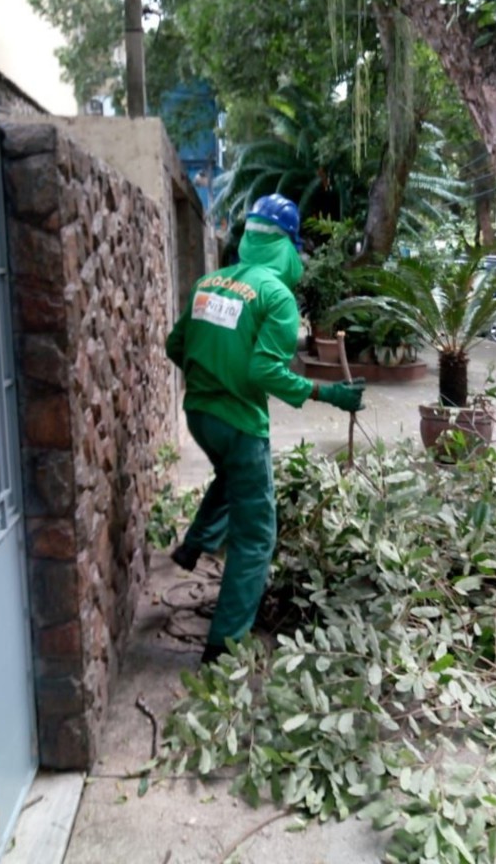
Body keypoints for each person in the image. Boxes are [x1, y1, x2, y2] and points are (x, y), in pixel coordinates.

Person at [165, 194, 364, 665]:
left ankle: (193, 546)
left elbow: (176, 344)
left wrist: (210, 373)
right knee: (256, 538)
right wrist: (328, 394)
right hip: (239, 423)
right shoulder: (277, 297)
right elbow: (264, 373)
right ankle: (224, 645)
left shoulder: (208, 283)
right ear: (289, 247)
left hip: (199, 415)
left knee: (232, 478)